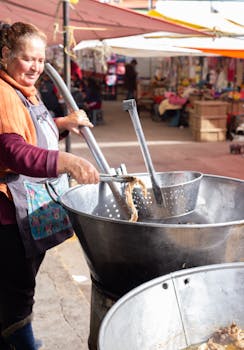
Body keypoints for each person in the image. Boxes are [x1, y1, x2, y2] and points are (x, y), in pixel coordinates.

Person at [0, 21, 100, 350]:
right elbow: (12, 149)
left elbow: (34, 130)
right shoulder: (2, 92)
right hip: (9, 214)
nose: (36, 67)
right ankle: (20, 340)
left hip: (34, 204)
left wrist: (63, 123)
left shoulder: (24, 90)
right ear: (6, 55)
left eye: (41, 60)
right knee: (17, 291)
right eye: (29, 59)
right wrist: (67, 162)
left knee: (22, 283)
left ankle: (15, 334)